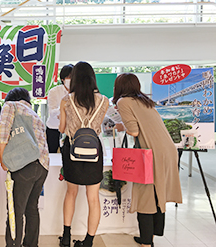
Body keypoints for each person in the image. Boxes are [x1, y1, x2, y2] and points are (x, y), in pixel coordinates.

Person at [112, 73, 182, 247]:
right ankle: (149, 237)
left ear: (119, 87)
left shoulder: (123, 102)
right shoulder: (145, 101)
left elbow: (134, 131)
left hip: (151, 153)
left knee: (146, 197)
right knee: (158, 195)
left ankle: (145, 242)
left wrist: (120, 126)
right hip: (167, 150)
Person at [58, 61, 108, 247]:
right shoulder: (104, 101)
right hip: (94, 152)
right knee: (93, 198)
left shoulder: (66, 100)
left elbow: (62, 129)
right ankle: (88, 241)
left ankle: (66, 237)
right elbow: (97, 128)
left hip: (72, 150)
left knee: (71, 193)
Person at [0, 87, 49, 247]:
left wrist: (2, 158)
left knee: (15, 211)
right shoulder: (35, 115)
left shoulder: (11, 106)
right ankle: (31, 244)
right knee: (31, 208)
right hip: (42, 166)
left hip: (24, 165)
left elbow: (3, 131)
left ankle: (13, 245)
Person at [46, 64, 73, 153]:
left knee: (70, 154)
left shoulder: (78, 92)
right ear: (63, 79)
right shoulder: (54, 91)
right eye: (69, 77)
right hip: (54, 127)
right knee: (52, 154)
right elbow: (52, 111)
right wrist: (62, 110)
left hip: (71, 128)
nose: (71, 79)